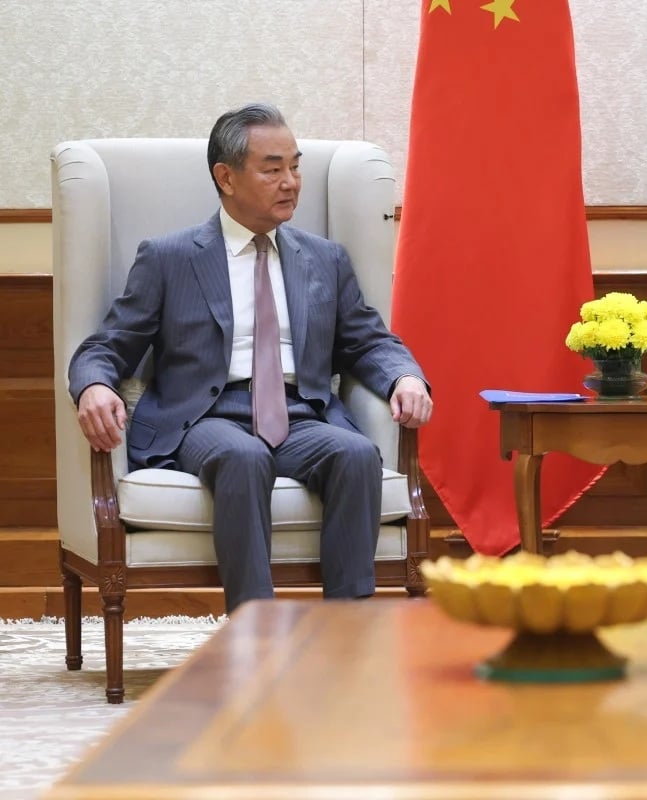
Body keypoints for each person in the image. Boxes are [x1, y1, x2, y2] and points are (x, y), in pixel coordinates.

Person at [68, 103, 432, 613]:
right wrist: (94, 385)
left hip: (301, 414)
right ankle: (254, 630)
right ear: (227, 177)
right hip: (205, 418)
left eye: (295, 166)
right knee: (245, 457)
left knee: (354, 454)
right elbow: (107, 346)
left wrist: (404, 378)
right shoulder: (171, 257)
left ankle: (347, 634)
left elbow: (369, 341)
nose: (291, 182)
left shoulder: (323, 258)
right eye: (273, 168)